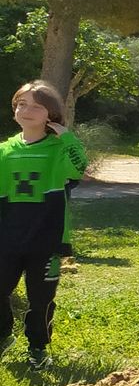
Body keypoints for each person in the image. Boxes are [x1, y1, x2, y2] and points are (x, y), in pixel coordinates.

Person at [0, 82, 88, 369]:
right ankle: (4, 336)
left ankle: (38, 347)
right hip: (7, 238)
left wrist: (66, 136)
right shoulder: (4, 151)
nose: (26, 110)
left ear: (51, 113)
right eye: (21, 103)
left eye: (36, 105)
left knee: (41, 299)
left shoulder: (58, 149)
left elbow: (78, 167)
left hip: (47, 239)